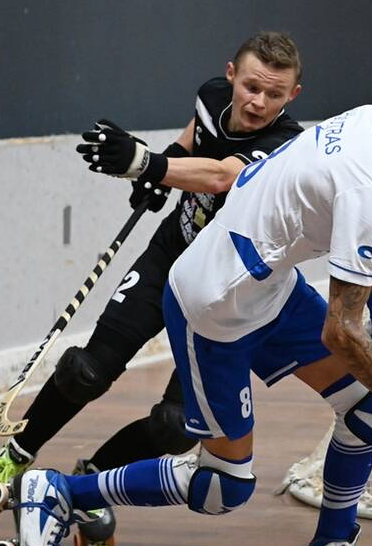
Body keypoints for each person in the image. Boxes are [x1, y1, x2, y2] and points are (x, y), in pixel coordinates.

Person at [11, 51, 372, 546]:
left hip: (268, 286)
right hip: (214, 306)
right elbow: (341, 331)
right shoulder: (371, 183)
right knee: (223, 485)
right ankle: (61, 491)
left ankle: (333, 537)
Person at [0, 31, 304, 545]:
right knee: (87, 370)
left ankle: (83, 488)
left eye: (274, 94)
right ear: (231, 74)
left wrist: (146, 163)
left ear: (292, 96)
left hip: (221, 296)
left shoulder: (285, 143)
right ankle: (12, 457)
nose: (258, 102)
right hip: (169, 257)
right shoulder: (211, 96)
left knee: (176, 426)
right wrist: (166, 165)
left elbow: (221, 176)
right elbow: (196, 138)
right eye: (251, 87)